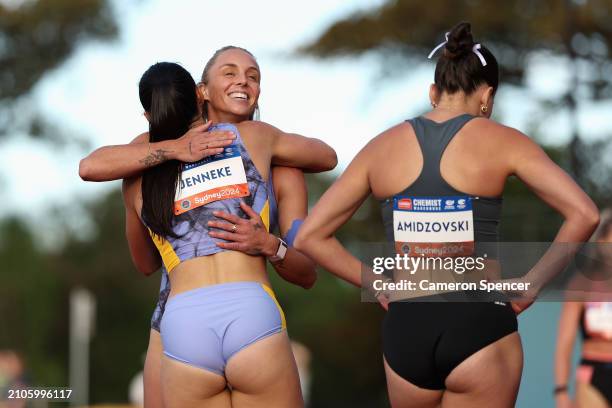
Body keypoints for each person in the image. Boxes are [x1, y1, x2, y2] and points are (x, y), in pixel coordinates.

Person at [295, 22, 599, 408]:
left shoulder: (381, 148)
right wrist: (532, 284)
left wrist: (376, 282)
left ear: (433, 92)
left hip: (407, 330)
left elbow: (310, 237)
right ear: (487, 95)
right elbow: (584, 213)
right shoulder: (503, 141)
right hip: (478, 323)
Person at [82, 49, 335, 407]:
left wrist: (270, 244)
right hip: (247, 312)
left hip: (181, 323)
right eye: (229, 73)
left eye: (253, 75)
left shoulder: (142, 163)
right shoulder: (254, 138)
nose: (243, 81)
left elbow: (141, 258)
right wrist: (179, 148)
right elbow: (327, 156)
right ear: (201, 91)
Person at [555, 210, 612, 408]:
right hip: (593, 375)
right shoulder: (582, 285)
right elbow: (565, 341)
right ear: (601, 241)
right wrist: (561, 391)